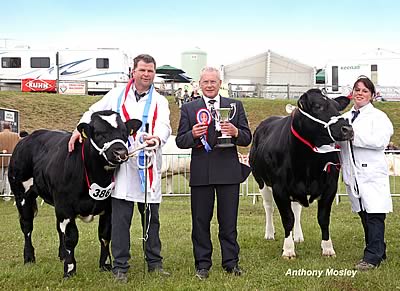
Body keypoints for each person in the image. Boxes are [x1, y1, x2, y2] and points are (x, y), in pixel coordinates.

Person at [68, 54, 172, 283]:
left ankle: (154, 263)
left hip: (148, 164)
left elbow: (165, 125)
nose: (146, 74)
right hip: (122, 168)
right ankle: (120, 266)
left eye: (151, 71)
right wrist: (78, 129)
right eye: (142, 70)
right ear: (132, 72)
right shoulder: (115, 95)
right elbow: (91, 112)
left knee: (151, 221)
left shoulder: (160, 101)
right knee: (120, 221)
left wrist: (158, 138)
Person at [175, 66, 252, 280]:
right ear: (199, 85)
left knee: (228, 222)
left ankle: (231, 262)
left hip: (228, 172)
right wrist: (192, 134)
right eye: (205, 82)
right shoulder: (189, 109)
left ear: (220, 84)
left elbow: (247, 138)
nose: (209, 85)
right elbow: (180, 141)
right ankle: (202, 264)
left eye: (213, 82)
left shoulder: (235, 106)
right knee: (200, 222)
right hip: (201, 173)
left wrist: (236, 132)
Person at [337, 76, 393, 271]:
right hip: (354, 175)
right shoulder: (344, 117)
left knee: (375, 214)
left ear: (371, 95)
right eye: (357, 90)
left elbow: (380, 141)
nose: (360, 93)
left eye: (364, 91)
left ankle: (371, 257)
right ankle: (379, 249)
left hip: (371, 174)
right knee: (363, 213)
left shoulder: (379, 117)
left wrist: (353, 135)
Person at [0, 121, 20, 196]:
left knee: (1, 177)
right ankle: (7, 194)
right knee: (8, 178)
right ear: (10, 127)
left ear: (3, 127)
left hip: (1, 159)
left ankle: (1, 192)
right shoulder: (16, 136)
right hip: (11, 160)